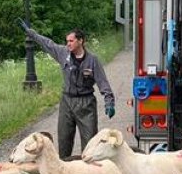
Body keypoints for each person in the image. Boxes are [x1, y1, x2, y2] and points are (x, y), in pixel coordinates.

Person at [17, 20, 116, 159]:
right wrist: (30, 33)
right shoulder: (63, 53)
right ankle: (64, 172)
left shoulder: (92, 60)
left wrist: (109, 102)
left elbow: (103, 82)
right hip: (67, 102)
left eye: (71, 40)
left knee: (90, 144)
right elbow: (46, 43)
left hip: (86, 104)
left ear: (80, 41)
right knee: (64, 140)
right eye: (67, 41)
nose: (68, 43)